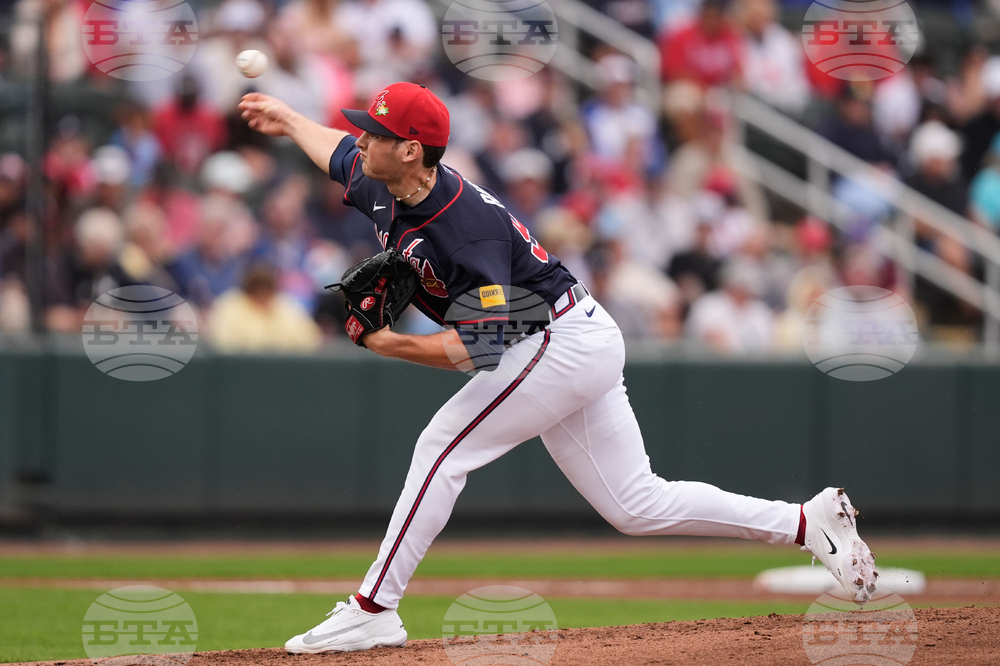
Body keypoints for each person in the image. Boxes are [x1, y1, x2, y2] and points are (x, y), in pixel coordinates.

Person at [238, 82, 878, 654]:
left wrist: (387, 345)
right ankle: (804, 522)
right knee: (635, 504)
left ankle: (374, 609)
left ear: (411, 150)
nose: (361, 137)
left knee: (441, 448)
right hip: (572, 335)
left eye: (375, 131)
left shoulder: (467, 230)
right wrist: (289, 117)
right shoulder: (383, 177)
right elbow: (336, 153)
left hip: (555, 339)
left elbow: (475, 351)